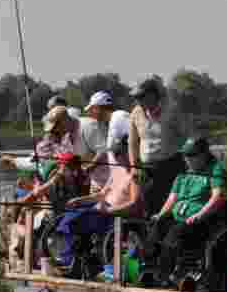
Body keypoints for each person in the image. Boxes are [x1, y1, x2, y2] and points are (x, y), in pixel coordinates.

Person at [54, 111, 142, 266]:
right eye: (115, 154)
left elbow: (135, 205)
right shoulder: (117, 170)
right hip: (100, 207)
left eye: (119, 154)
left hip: (112, 215)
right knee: (70, 212)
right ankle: (69, 257)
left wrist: (109, 210)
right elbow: (102, 193)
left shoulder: (135, 175)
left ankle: (68, 260)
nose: (117, 157)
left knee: (72, 221)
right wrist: (79, 200)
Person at [147, 137, 227, 288]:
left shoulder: (216, 171)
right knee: (156, 227)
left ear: (204, 154)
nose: (187, 159)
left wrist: (200, 214)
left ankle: (163, 278)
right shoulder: (183, 175)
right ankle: (148, 269)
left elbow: (218, 197)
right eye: (185, 155)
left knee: (174, 235)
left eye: (191, 155)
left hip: (200, 222)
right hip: (178, 217)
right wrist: (160, 215)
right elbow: (171, 199)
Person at [129, 77, 188, 216]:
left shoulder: (172, 110)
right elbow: (132, 143)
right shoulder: (135, 113)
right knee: (149, 207)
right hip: (147, 168)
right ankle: (154, 235)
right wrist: (134, 167)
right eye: (135, 97)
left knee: (170, 208)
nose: (137, 100)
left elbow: (187, 136)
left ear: (153, 95)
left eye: (140, 96)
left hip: (171, 166)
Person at [79, 91, 115, 192]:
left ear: (99, 108)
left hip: (109, 181)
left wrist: (89, 167)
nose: (90, 113)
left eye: (92, 109)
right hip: (100, 181)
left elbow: (103, 151)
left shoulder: (116, 120)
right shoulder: (100, 123)